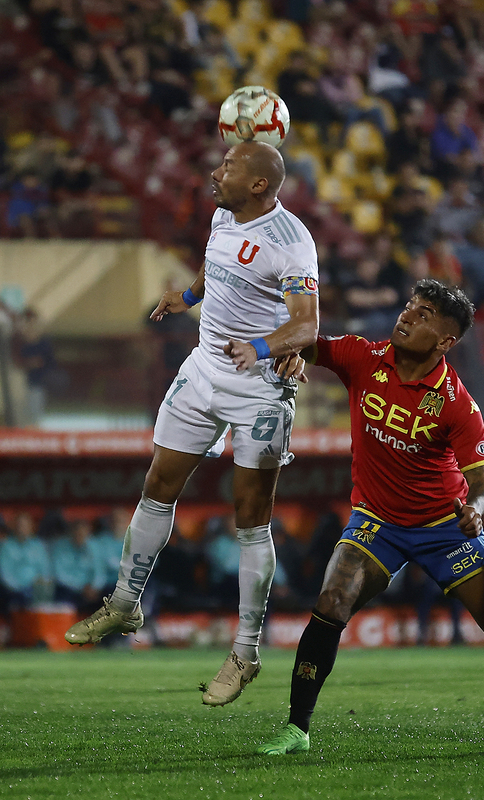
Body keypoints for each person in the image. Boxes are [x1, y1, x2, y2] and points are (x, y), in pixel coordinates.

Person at [256, 279, 484, 756]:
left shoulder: (457, 403)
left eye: (424, 314)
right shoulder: (362, 357)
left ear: (445, 341)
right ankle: (297, 729)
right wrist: (292, 352)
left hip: (444, 526)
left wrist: (475, 514)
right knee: (332, 598)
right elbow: (308, 341)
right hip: (377, 521)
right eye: (410, 306)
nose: (408, 315)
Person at [64, 141, 320, 708]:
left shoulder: (292, 243)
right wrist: (186, 296)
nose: (214, 173)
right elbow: (216, 266)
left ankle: (245, 653)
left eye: (227, 167)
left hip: (259, 387)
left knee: (250, 520)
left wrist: (261, 346)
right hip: (203, 369)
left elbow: (306, 324)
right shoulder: (223, 215)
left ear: (259, 185)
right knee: (158, 485)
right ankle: (126, 603)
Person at [0, 511, 52, 610]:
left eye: (25, 525)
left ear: (31, 527)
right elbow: (4, 574)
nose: (21, 528)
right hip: (13, 590)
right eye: (19, 525)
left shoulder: (38, 546)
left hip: (36, 590)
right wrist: (21, 589)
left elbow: (45, 570)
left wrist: (38, 586)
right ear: (13, 526)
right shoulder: (4, 546)